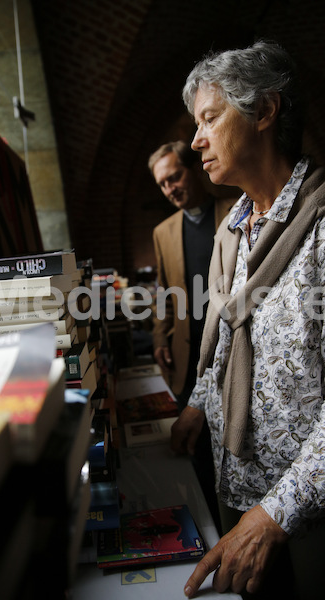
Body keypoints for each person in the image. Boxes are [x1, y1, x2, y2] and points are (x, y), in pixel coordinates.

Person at [170, 40, 325, 600]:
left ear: (264, 111)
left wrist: (275, 516)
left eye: (210, 118)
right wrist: (195, 403)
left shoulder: (322, 227)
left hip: (303, 518)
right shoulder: (231, 231)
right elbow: (226, 344)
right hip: (236, 490)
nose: (196, 140)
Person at [148, 141, 234, 529]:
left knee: (232, 449)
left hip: (232, 357)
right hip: (188, 360)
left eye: (175, 177)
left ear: (196, 168)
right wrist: (160, 337)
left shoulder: (237, 209)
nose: (170, 189)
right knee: (196, 450)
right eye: (163, 184)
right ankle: (210, 532)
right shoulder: (162, 232)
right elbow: (165, 293)